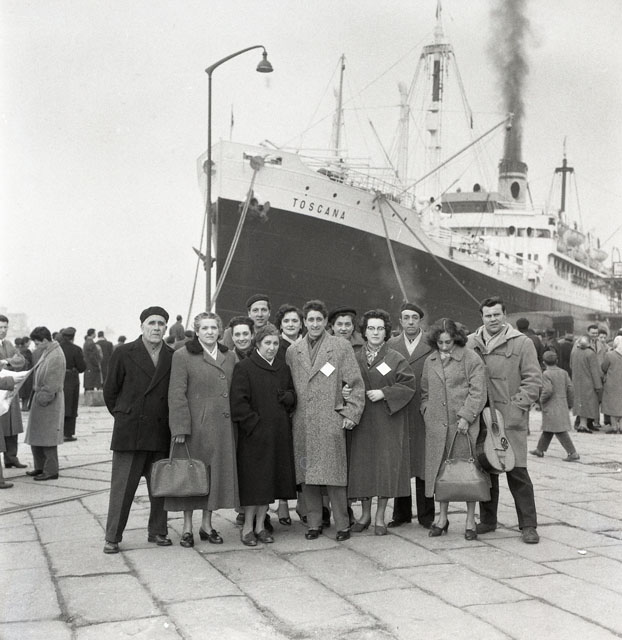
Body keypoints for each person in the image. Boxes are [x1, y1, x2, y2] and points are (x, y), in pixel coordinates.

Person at [286, 299, 365, 541]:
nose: (314, 324)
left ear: (325, 322)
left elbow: (355, 383)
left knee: (334, 476)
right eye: (310, 319)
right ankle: (314, 523)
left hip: (330, 418)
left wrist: (351, 413)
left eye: (319, 319)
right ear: (304, 322)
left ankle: (342, 524)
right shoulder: (293, 351)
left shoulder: (340, 347)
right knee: (308, 476)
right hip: (303, 421)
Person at [467, 296, 542, 544]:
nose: (492, 319)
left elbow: (533, 379)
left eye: (497, 315)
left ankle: (528, 525)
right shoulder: (470, 342)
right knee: (486, 469)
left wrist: (518, 406)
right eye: (488, 315)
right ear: (482, 317)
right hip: (481, 417)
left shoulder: (522, 343)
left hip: (509, 418)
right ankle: (488, 520)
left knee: (517, 471)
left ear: (505, 315)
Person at [102, 307, 174, 554]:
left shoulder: (172, 355)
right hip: (130, 432)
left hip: (160, 431)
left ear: (166, 327)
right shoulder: (123, 352)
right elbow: (110, 392)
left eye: (161, 323)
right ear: (141, 326)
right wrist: (126, 415)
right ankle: (112, 537)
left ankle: (158, 531)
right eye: (151, 323)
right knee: (122, 489)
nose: (156, 328)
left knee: (160, 487)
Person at [166, 312, 238, 548]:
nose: (209, 332)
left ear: (220, 331)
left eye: (213, 328)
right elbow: (176, 393)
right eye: (204, 328)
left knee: (213, 477)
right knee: (190, 477)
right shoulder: (183, 355)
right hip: (194, 428)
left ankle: (207, 525)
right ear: (196, 332)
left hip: (222, 429)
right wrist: (179, 427)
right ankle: (187, 527)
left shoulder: (230, 356)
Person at [347, 309, 415, 535]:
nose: (375, 332)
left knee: (385, 468)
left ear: (386, 332)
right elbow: (344, 381)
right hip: (362, 420)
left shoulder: (396, 358)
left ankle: (380, 517)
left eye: (380, 328)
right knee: (363, 467)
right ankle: (365, 514)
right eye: (371, 328)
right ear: (364, 332)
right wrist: (345, 391)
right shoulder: (354, 356)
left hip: (387, 420)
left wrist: (385, 393)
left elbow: (408, 385)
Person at [230, 324, 297, 546]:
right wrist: (255, 425)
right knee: (254, 484)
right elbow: (238, 403)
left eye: (275, 343)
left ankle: (261, 526)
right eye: (267, 343)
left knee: (269, 483)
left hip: (277, 434)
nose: (272, 347)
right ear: (257, 344)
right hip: (254, 436)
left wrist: (288, 397)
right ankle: (247, 527)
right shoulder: (245, 367)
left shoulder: (282, 368)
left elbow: (292, 395)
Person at [421, 318, 487, 540]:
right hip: (436, 427)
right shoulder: (430, 360)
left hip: (462, 427)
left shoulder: (471, 358)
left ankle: (470, 520)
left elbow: (478, 392)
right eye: (439, 342)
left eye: (447, 342)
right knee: (441, 474)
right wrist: (426, 411)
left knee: (468, 473)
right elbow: (424, 391)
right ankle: (441, 518)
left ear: (456, 339)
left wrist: (466, 417)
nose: (443, 346)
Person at [386, 302, 436, 529]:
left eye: (414, 318)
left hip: (423, 410)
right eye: (406, 318)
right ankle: (401, 514)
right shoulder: (391, 344)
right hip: (399, 409)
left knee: (424, 462)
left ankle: (426, 515)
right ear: (400, 321)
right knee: (401, 462)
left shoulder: (431, 344)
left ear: (420, 321)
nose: (410, 322)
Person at [24, 326, 67, 481]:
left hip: (48, 403)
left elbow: (52, 383)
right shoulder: (48, 351)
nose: (35, 346)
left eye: (37, 343)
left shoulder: (55, 356)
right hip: (42, 400)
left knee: (47, 438)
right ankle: (40, 467)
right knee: (38, 436)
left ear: (44, 340)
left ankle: (51, 470)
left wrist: (42, 398)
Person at [530, 351, 579, 461]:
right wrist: (570, 403)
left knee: (559, 430)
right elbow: (570, 389)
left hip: (550, 405)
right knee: (549, 428)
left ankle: (572, 452)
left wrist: (541, 400)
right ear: (557, 361)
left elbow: (548, 390)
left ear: (543, 362)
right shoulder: (564, 372)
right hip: (562, 403)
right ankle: (539, 449)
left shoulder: (546, 374)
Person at [0, 314, 27, 469]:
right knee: (2, 425)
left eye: (5, 327)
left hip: (11, 390)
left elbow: (21, 360)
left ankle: (11, 457)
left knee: (12, 425)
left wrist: (6, 361)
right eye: (0, 327)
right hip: (1, 389)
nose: (3, 330)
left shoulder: (8, 344)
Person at [58, 327, 86, 441]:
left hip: (58, 378)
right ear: (73, 337)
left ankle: (58, 432)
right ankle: (68, 433)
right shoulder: (76, 349)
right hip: (71, 379)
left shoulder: (57, 348)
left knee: (60, 405)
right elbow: (82, 367)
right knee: (71, 406)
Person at [570, 335, 602, 433]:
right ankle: (583, 425)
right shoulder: (590, 353)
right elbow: (594, 371)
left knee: (580, 402)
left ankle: (584, 424)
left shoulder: (574, 352)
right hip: (589, 382)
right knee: (589, 404)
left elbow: (571, 365)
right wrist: (598, 385)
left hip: (577, 381)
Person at [601, 336, 622, 434]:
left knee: (612, 405)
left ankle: (614, 427)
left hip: (612, 383)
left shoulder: (609, 355)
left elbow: (604, 367)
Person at [16, 337, 34, 410]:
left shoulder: (19, 350)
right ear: (26, 342)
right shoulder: (27, 351)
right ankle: (24, 406)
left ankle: (23, 406)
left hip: (20, 373)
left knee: (22, 391)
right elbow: (31, 361)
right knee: (26, 391)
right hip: (27, 373)